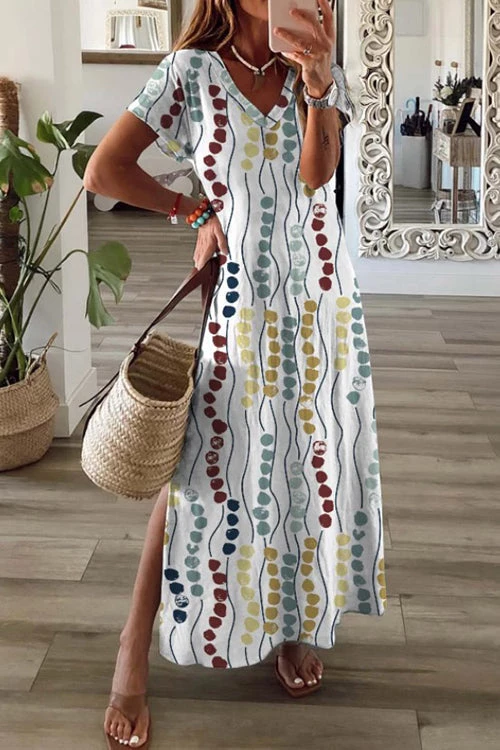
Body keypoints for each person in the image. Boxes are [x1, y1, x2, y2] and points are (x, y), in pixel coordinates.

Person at [84, 1, 387, 747]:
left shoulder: (316, 70)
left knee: (307, 464)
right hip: (242, 303)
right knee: (198, 466)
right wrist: (193, 212)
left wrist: (318, 83)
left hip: (322, 301)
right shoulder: (189, 72)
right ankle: (132, 645)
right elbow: (104, 169)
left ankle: (292, 627)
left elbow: (317, 176)